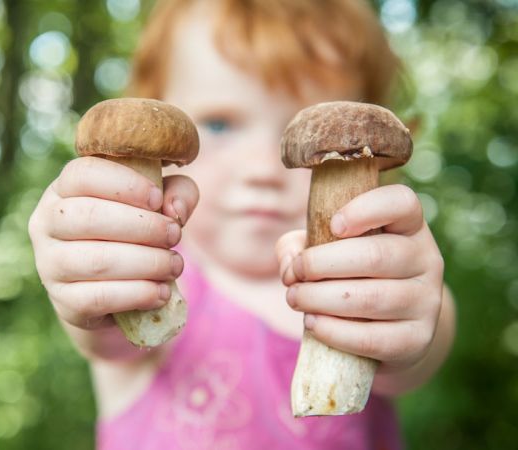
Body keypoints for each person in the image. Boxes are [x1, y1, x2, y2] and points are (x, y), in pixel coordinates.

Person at [28, 0, 456, 448]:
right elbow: (103, 331)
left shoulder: (371, 278)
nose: (262, 168)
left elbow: (426, 329)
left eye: (306, 132)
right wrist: (82, 258)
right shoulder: (149, 270)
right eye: (218, 123)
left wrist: (411, 313)